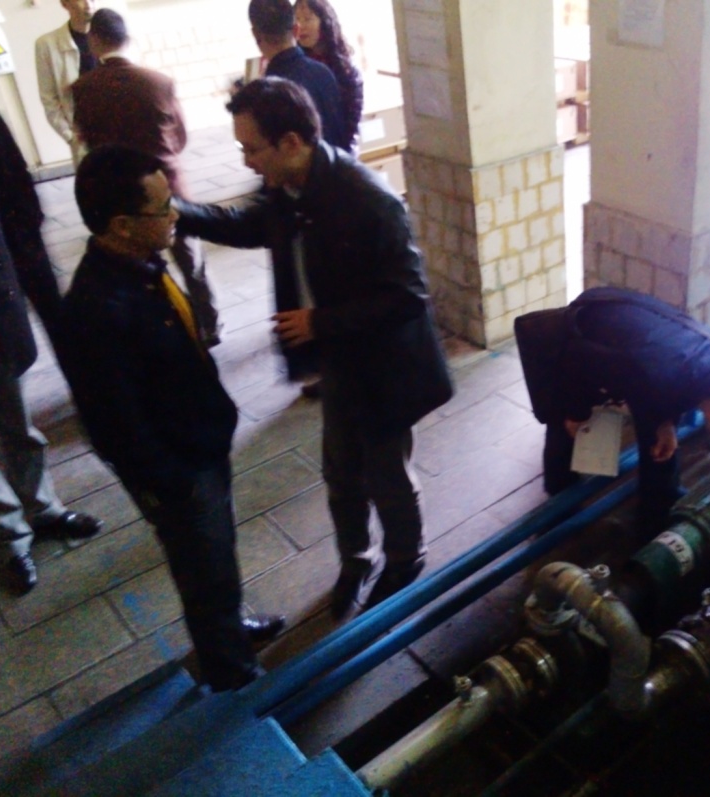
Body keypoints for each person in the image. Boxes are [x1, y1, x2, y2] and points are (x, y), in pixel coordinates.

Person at [174, 78, 453, 625]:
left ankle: (405, 559)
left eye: (252, 148)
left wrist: (319, 322)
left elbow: (408, 295)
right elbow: (248, 225)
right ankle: (356, 560)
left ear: (292, 142)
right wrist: (175, 211)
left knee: (387, 474)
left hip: (384, 369)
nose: (247, 161)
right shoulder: (290, 187)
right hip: (339, 362)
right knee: (341, 474)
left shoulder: (367, 199)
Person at [61, 145, 285, 691]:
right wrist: (174, 483)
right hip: (180, 469)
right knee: (202, 571)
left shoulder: (139, 265)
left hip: (200, 441)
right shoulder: (96, 310)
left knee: (216, 557)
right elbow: (114, 426)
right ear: (121, 225)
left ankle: (231, 629)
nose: (175, 214)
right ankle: (233, 675)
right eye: (162, 208)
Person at [515, 286, 710, 526]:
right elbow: (575, 360)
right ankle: (557, 507)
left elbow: (678, 386)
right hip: (583, 327)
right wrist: (576, 413)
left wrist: (666, 424)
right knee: (563, 421)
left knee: (660, 445)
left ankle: (655, 514)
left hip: (637, 334)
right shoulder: (655, 378)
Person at [0, 110, 103, 595]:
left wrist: (32, 293)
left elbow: (20, 209)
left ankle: (43, 510)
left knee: (17, 423)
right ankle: (10, 535)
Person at [71, 9, 220, 347]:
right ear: (127, 38)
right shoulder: (158, 82)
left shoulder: (83, 89)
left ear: (94, 41)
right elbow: (180, 137)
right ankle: (209, 325)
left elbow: (88, 141)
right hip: (167, 186)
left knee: (135, 267)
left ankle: (160, 333)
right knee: (191, 261)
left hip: (120, 198)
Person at [248, 0, 349, 150]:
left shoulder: (267, 92)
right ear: (296, 29)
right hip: (336, 163)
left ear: (255, 34)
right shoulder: (323, 72)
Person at [294, 0, 364, 153]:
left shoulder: (347, 70)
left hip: (339, 153)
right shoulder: (295, 67)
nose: (300, 26)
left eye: (307, 19)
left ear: (325, 22)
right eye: (297, 19)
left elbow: (351, 126)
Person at [34, 0, 97, 165]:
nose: (89, 4)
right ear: (65, 4)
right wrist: (70, 136)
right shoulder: (47, 44)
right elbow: (49, 99)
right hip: (83, 136)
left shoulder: (110, 36)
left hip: (119, 130)